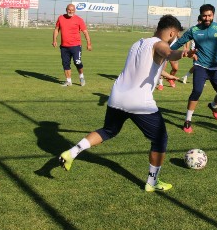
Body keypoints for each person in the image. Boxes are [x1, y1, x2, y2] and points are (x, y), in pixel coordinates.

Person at [58, 15, 196, 192]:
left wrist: (168, 75)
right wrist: (182, 53)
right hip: (138, 101)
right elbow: (168, 53)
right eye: (176, 36)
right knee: (160, 139)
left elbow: (145, 67)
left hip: (117, 96)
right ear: (172, 33)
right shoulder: (160, 44)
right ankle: (152, 183)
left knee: (108, 130)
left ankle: (72, 152)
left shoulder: (138, 43)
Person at [170, 4, 217, 133]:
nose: (207, 18)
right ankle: (188, 120)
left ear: (213, 15)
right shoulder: (194, 30)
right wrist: (165, 50)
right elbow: (179, 43)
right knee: (197, 91)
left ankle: (213, 106)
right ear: (201, 15)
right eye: (204, 15)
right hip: (200, 65)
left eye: (209, 15)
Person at [52, 3, 92, 86]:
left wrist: (89, 43)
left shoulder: (79, 20)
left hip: (76, 46)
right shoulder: (60, 18)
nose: (71, 11)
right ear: (66, 10)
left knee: (77, 62)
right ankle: (68, 81)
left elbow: (85, 32)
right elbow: (56, 29)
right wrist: (54, 40)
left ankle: (81, 77)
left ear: (75, 11)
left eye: (72, 10)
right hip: (64, 46)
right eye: (69, 10)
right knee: (65, 64)